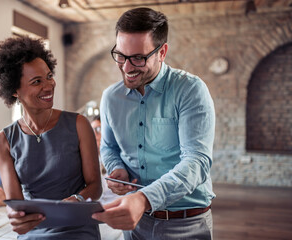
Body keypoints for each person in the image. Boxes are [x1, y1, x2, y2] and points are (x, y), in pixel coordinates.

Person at [92, 7, 216, 240]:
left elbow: (197, 162)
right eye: (120, 55)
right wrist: (116, 169)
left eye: (138, 58)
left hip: (185, 223)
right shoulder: (110, 97)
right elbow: (109, 147)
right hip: (135, 225)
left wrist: (143, 198)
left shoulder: (190, 90)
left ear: (162, 52)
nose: (127, 67)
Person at [0, 36, 102, 239]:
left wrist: (76, 199)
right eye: (37, 82)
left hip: (78, 228)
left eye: (49, 76)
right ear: (15, 91)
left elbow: (95, 186)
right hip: (34, 231)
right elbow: (16, 204)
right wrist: (16, 217)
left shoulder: (79, 124)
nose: (48, 86)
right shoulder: (4, 140)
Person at [91, 115, 124, 240]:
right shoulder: (88, 161)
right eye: (92, 130)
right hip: (95, 217)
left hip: (116, 215)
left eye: (98, 130)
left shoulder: (119, 160)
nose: (94, 134)